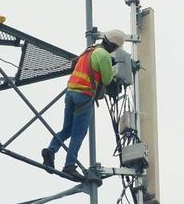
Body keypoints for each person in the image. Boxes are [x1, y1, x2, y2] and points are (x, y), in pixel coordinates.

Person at [42, 29, 127, 176]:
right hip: (84, 95)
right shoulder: (104, 56)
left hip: (70, 93)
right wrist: (114, 71)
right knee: (78, 133)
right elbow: (107, 80)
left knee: (66, 129)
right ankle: (69, 165)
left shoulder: (89, 50)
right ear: (114, 47)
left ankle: (51, 149)